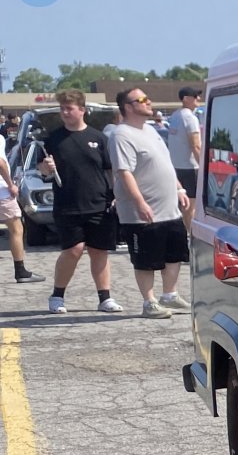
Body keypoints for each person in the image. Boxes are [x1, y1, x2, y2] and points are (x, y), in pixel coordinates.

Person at [37, 89, 122, 314]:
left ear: (82, 110)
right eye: (62, 108)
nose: (65, 112)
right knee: (73, 250)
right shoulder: (53, 140)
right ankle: (57, 296)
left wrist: (115, 196)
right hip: (67, 204)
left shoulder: (98, 138)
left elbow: (110, 170)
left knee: (99, 251)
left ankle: (105, 298)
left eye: (69, 108)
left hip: (99, 202)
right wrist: (46, 168)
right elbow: (42, 170)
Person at [111, 87, 192, 318]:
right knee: (146, 259)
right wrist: (139, 202)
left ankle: (171, 296)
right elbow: (124, 172)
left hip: (169, 209)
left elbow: (164, 163)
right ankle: (150, 302)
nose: (149, 102)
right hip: (142, 212)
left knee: (174, 253)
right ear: (128, 107)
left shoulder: (150, 130)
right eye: (142, 99)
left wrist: (179, 188)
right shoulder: (121, 135)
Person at [0, 153, 43, 283]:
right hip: (2, 192)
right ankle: (20, 271)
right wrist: (10, 184)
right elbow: (1, 163)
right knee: (16, 229)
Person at [167, 86, 203, 233]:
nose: (198, 99)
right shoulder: (190, 117)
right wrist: (203, 169)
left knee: (181, 205)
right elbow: (195, 145)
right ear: (186, 99)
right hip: (190, 167)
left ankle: (183, 233)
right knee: (191, 206)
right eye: (195, 96)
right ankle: (191, 236)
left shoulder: (175, 116)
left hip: (175, 167)